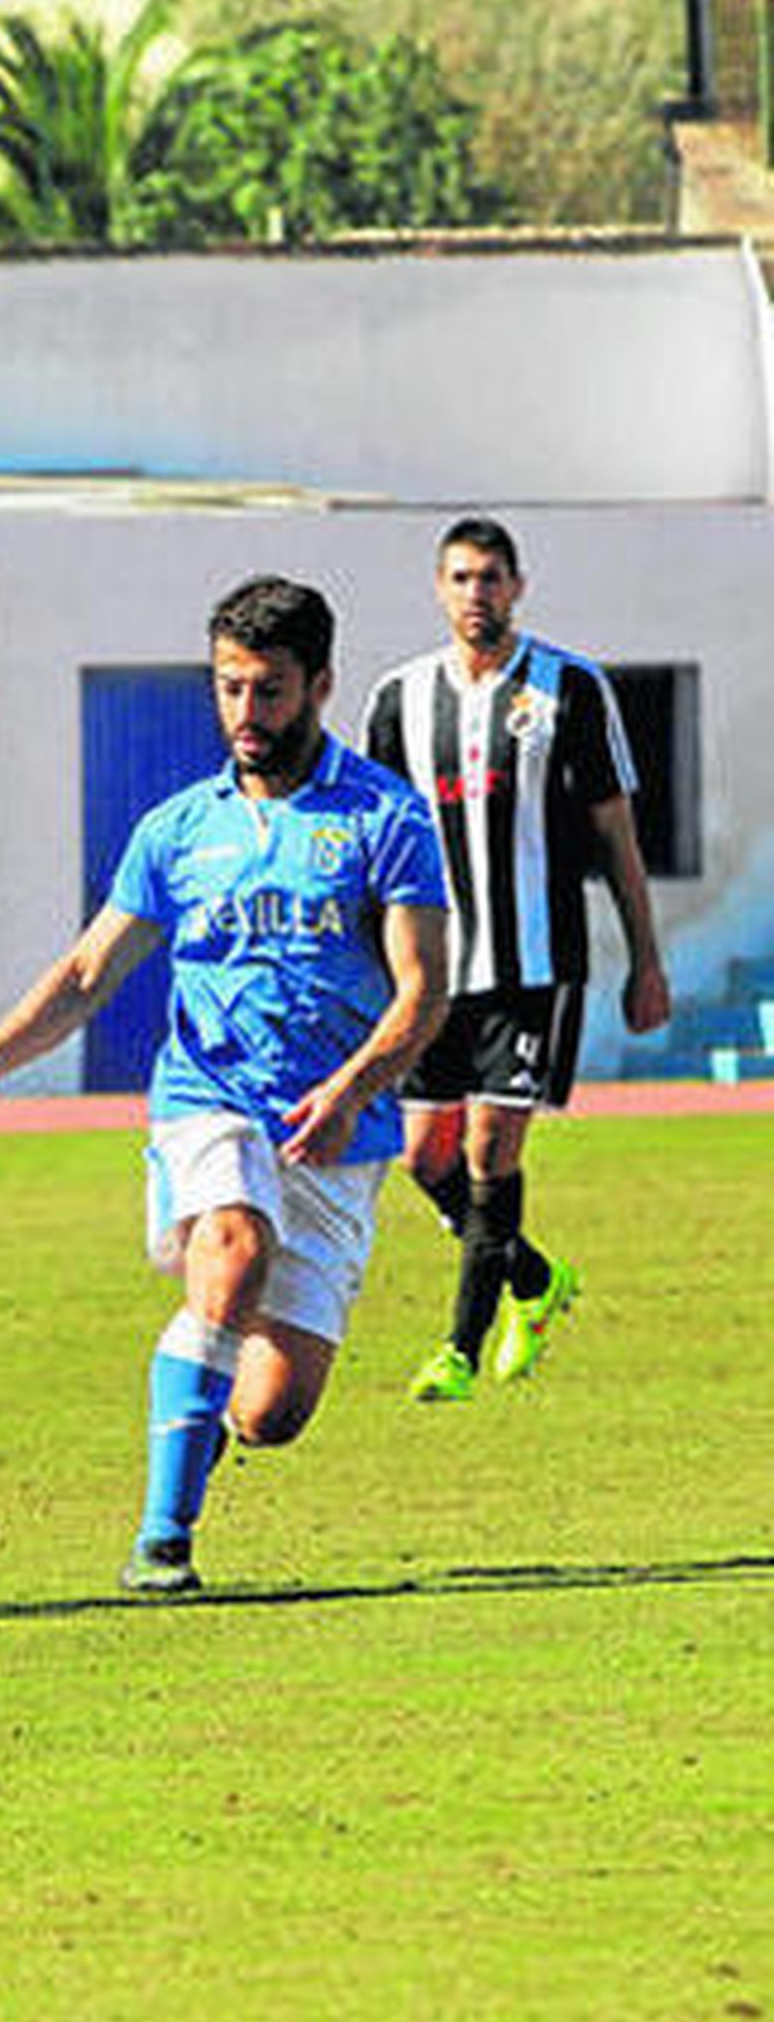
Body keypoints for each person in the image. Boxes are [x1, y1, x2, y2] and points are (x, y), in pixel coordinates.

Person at [0, 576, 449, 1596]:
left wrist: (349, 1087)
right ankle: (162, 1542)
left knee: (268, 1414)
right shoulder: (175, 831)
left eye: (269, 691)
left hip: (336, 1132)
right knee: (232, 1248)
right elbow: (82, 976)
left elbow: (422, 997)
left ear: (319, 685)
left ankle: (200, 1416)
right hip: (209, 1099)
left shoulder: (387, 820)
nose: (245, 714)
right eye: (229, 688)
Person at [362, 516, 671, 1404]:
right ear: (438, 587)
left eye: (491, 577)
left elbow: (617, 833)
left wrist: (645, 959)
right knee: (427, 1156)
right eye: (460, 578)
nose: (476, 593)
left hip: (536, 964)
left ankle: (458, 1347)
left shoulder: (570, 688)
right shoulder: (397, 699)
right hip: (431, 973)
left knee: (493, 1146)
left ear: (518, 586)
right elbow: (371, 846)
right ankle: (534, 1283)